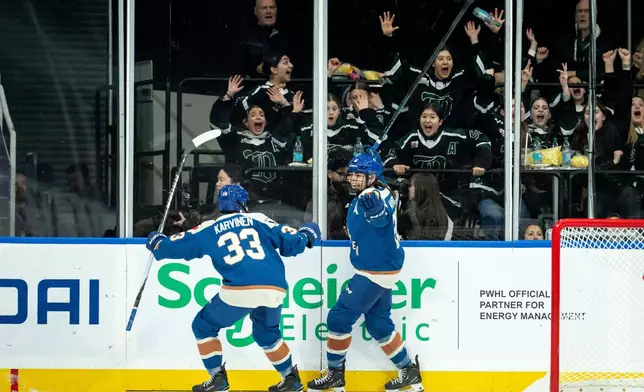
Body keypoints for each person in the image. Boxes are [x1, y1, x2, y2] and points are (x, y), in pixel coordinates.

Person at [146, 184, 321, 392]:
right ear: (243, 205)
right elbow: (292, 243)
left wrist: (158, 243)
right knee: (267, 335)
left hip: (240, 289)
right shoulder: (260, 219)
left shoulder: (210, 227)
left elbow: (180, 246)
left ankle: (217, 379)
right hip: (274, 287)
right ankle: (291, 379)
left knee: (203, 326)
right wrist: (307, 235)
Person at [307, 150, 423, 392]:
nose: (354, 179)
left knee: (339, 317)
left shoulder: (373, 196)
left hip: (375, 270)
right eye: (353, 174)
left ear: (373, 178)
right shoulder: (371, 190)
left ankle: (335, 374)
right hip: (382, 266)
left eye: (361, 175)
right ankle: (409, 371)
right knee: (378, 323)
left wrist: (376, 213)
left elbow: (380, 220)